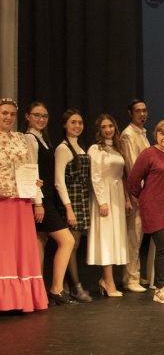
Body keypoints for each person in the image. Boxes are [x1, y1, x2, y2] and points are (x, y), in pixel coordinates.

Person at [126, 119, 164, 304]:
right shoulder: (148, 154)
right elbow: (133, 181)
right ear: (156, 134)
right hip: (156, 208)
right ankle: (160, 289)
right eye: (162, 133)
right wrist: (144, 199)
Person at [24, 102, 77, 305]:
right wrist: (38, 203)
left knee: (41, 242)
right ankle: (56, 289)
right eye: (37, 115)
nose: (41, 119)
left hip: (46, 198)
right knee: (67, 241)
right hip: (41, 200)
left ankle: (38, 292)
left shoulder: (41, 138)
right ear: (28, 116)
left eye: (44, 116)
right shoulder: (30, 138)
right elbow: (31, 170)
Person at [0, 98, 48, 312]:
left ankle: (21, 299)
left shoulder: (20, 138)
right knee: (4, 250)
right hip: (2, 202)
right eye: (4, 113)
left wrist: (36, 194)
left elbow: (29, 167)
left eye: (11, 114)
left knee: (20, 250)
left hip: (21, 202)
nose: (8, 117)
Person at [86, 114, 130, 297]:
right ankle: (108, 281)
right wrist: (102, 201)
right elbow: (95, 177)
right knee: (105, 237)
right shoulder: (95, 149)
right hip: (103, 196)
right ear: (99, 130)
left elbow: (122, 176)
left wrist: (126, 199)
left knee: (115, 238)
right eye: (104, 127)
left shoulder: (117, 148)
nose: (108, 130)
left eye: (110, 126)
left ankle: (107, 280)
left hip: (117, 195)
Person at [53, 109, 93, 302]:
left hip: (81, 198)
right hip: (71, 200)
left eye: (80, 122)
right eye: (73, 122)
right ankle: (75, 286)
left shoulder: (80, 147)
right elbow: (59, 181)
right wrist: (68, 208)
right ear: (65, 125)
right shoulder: (63, 148)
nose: (77, 126)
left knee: (75, 245)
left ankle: (68, 286)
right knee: (71, 245)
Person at [120, 98, 150, 293]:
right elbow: (132, 167)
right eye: (138, 111)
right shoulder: (128, 135)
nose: (142, 114)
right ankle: (130, 277)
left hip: (144, 190)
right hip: (136, 191)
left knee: (139, 235)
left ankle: (135, 273)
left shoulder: (142, 133)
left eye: (144, 110)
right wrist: (135, 193)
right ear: (130, 113)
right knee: (134, 235)